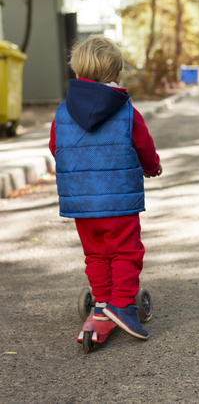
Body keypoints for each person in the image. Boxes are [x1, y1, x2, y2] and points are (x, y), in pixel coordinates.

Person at [49, 34, 162, 340]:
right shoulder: (126, 111)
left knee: (96, 254)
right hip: (119, 202)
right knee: (127, 251)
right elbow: (144, 148)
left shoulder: (62, 113)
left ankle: (100, 303)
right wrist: (152, 168)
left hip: (82, 203)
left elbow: (56, 148)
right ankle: (123, 305)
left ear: (78, 73)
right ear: (116, 74)